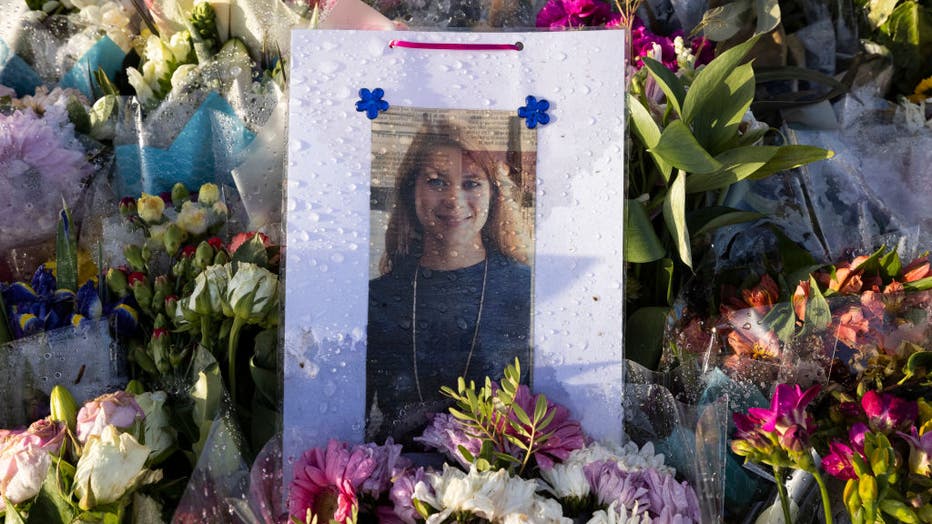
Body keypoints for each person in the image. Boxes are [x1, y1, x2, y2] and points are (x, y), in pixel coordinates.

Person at [366, 117, 533, 445]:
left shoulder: (527, 290)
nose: (454, 199)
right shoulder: (376, 298)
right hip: (396, 486)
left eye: (471, 183)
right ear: (410, 191)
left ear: (493, 195)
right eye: (437, 182)